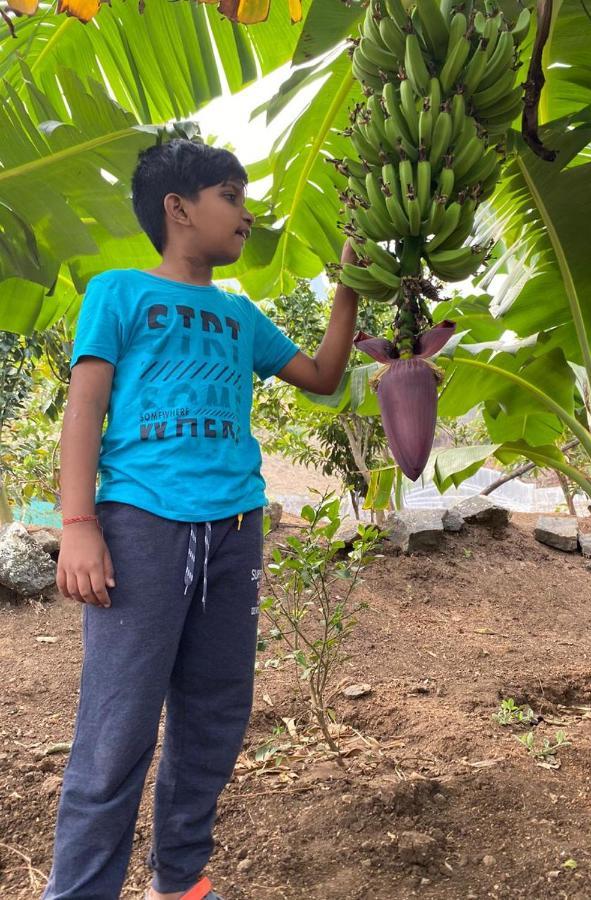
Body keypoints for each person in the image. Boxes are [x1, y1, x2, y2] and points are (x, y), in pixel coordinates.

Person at [42, 139, 360, 900]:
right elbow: (85, 408)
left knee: (216, 712)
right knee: (118, 725)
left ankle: (178, 879)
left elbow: (323, 376)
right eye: (230, 195)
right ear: (177, 209)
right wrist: (77, 522)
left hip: (234, 526)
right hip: (140, 522)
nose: (245, 212)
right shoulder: (117, 292)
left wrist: (349, 280)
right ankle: (79, 890)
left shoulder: (239, 314)